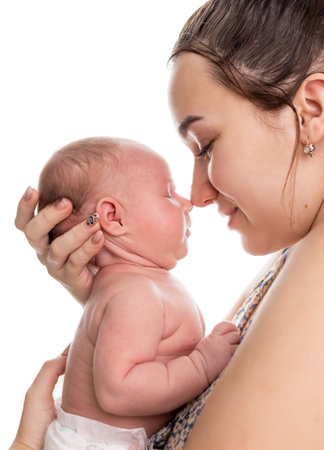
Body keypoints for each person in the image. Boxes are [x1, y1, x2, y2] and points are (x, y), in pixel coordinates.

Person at [14, 0, 324, 448]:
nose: (197, 195)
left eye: (207, 145)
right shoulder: (294, 257)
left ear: (312, 109)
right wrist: (109, 294)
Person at [37, 137, 239, 449]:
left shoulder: (129, 283)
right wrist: (201, 364)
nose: (186, 202)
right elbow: (118, 390)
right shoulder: (134, 293)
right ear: (114, 217)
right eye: (168, 194)